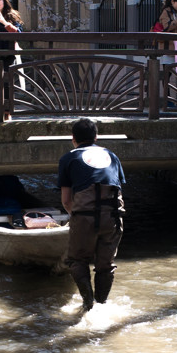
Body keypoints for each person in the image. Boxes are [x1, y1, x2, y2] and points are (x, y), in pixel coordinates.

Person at [58, 118, 126, 311]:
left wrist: (78, 217)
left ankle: (88, 303)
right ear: (96, 138)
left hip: (84, 216)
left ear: (73, 139)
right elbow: (118, 188)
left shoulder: (68, 158)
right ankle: (102, 304)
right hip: (113, 216)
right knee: (106, 265)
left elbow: (66, 200)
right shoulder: (112, 156)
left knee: (77, 260)